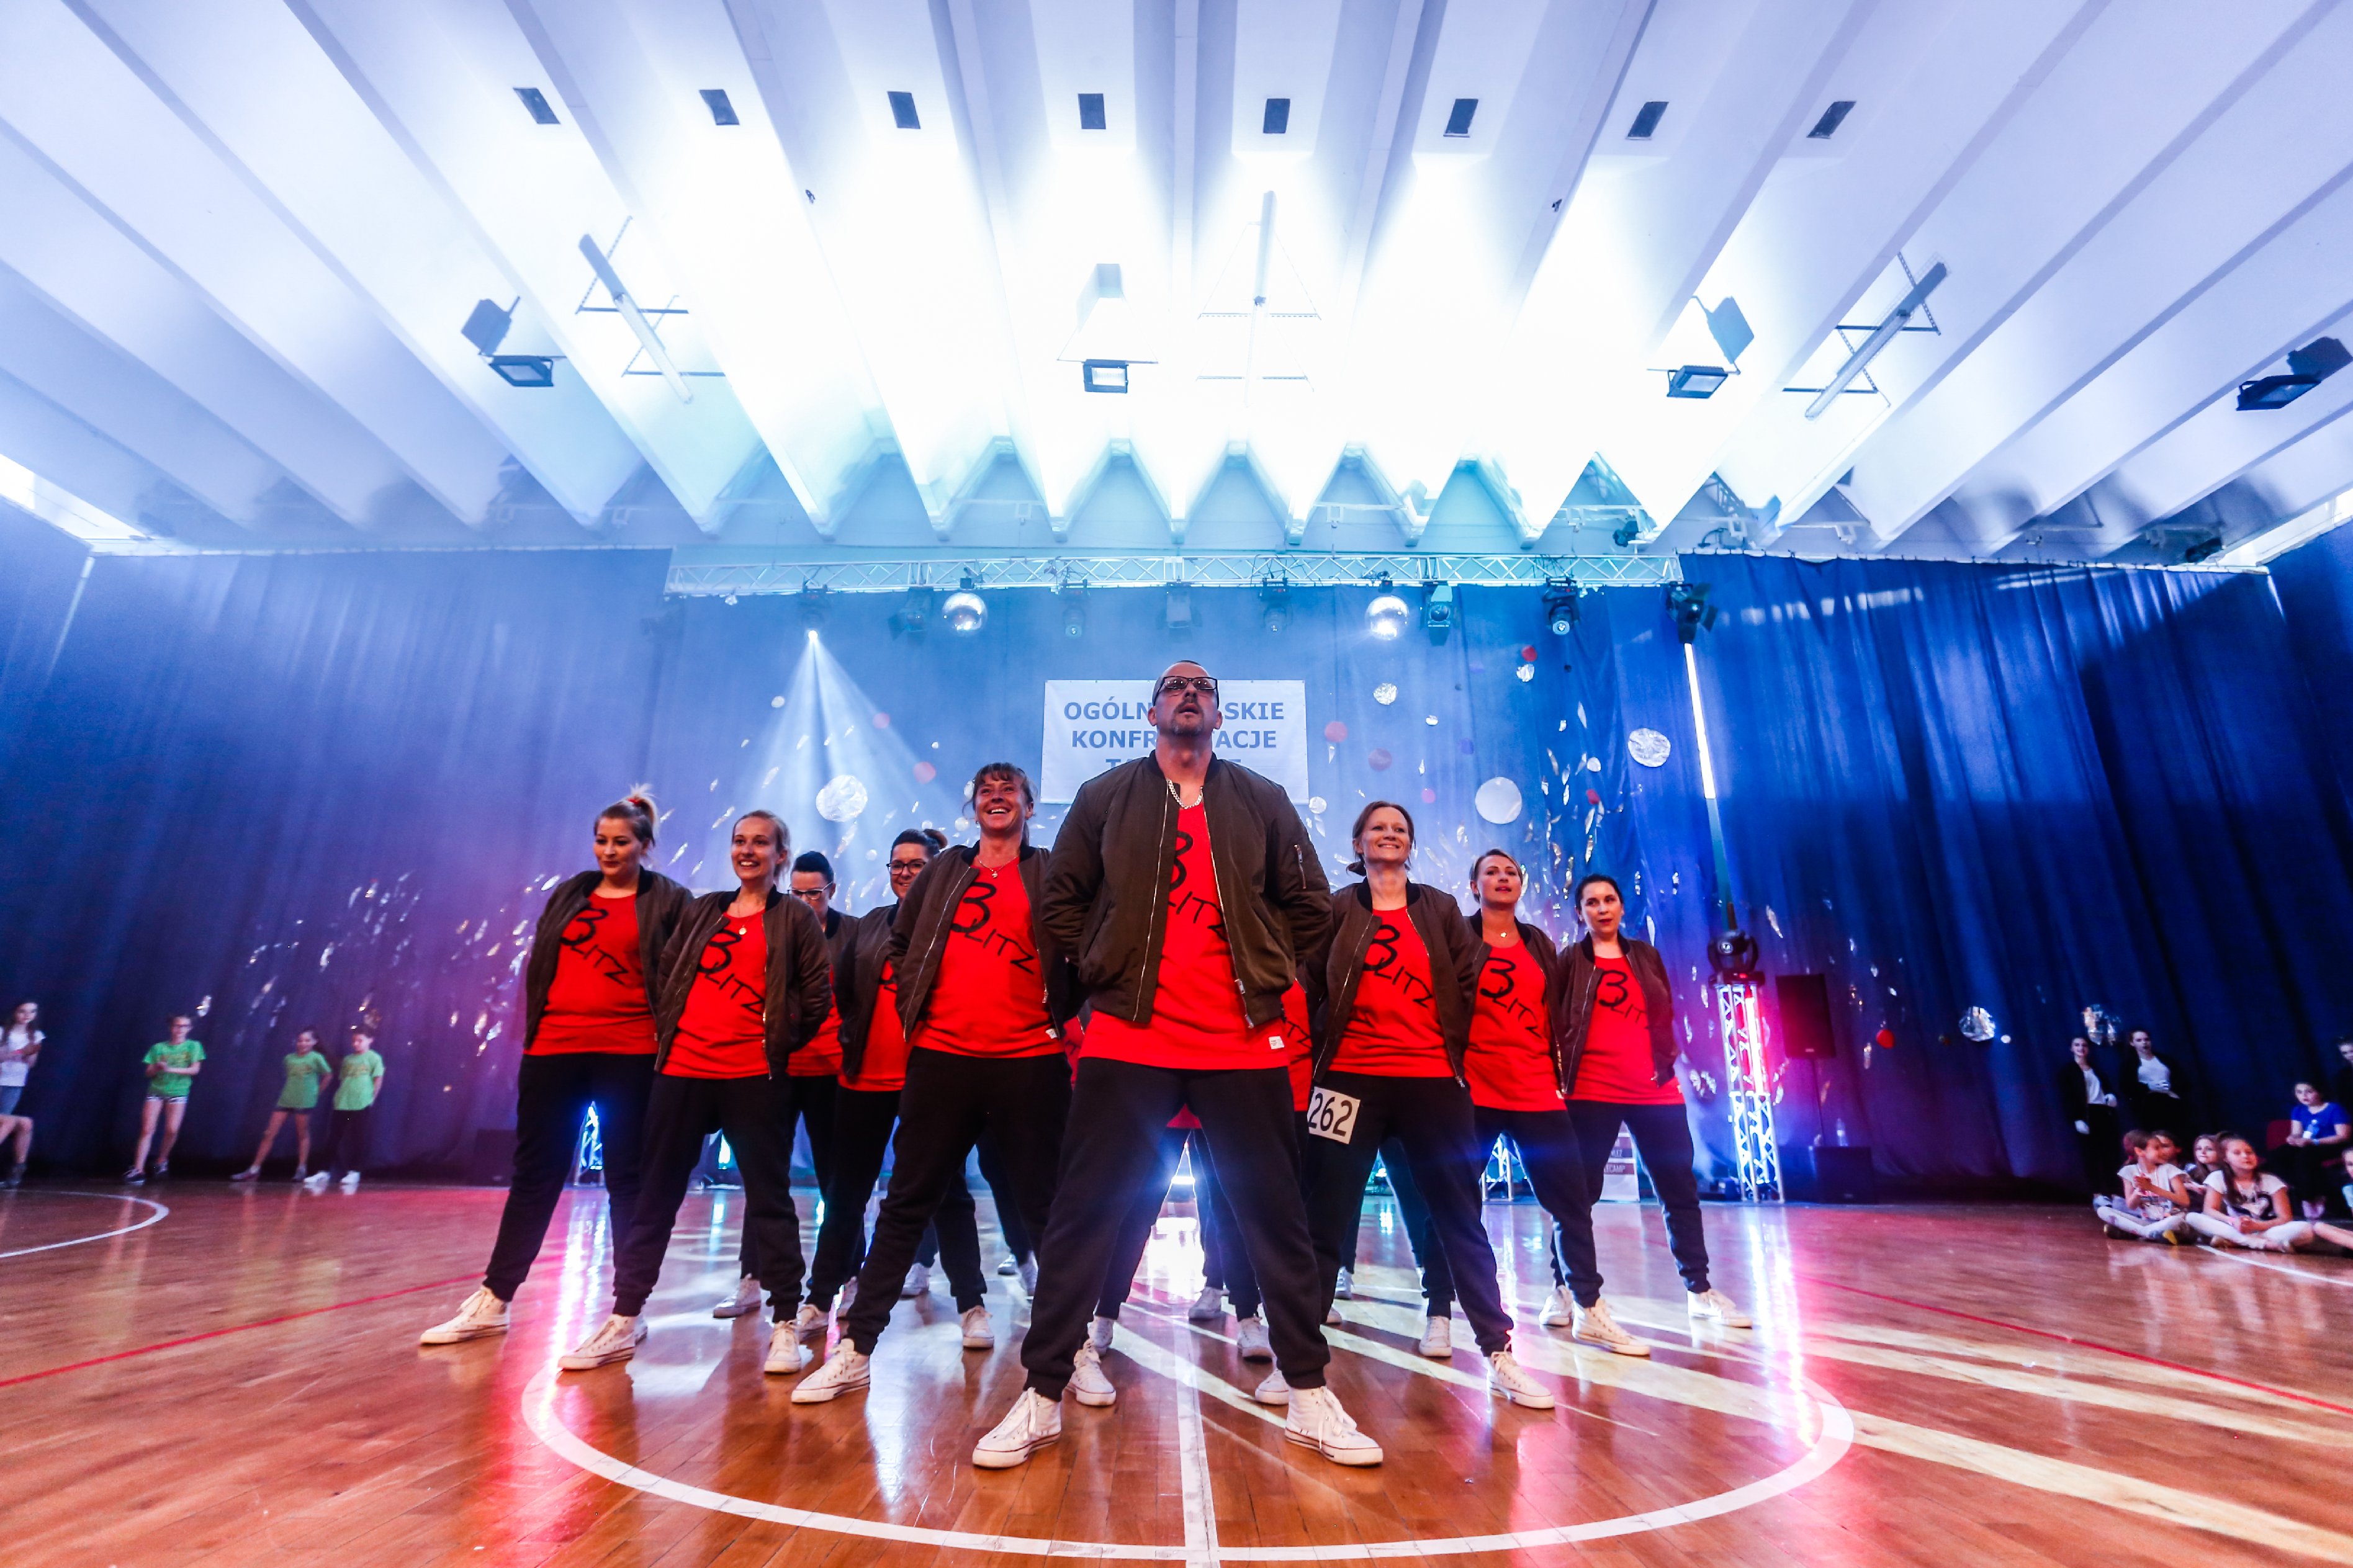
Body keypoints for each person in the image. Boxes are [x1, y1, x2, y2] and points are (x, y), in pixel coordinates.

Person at [956, 663, 1380, 1469]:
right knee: (1082, 1216)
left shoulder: (1259, 796)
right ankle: (1041, 1393)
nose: (1189, 693)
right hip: (1130, 1037)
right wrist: (1104, 971)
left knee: (1275, 1218)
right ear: (1151, 710)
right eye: (1175, 686)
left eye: (1202, 687)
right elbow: (1060, 903)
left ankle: (1307, 1391)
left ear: (1218, 713)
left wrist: (1263, 969)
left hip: (1240, 1039)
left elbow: (1309, 905)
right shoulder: (1104, 795)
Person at [795, 763, 1072, 1404]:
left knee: (1045, 1209)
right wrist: (921, 1015)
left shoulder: (1051, 870)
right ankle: (856, 1349)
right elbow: (899, 943)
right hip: (943, 1058)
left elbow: (1083, 947)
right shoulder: (946, 870)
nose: (996, 797)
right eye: (985, 790)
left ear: (1028, 805)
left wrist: (1061, 1010)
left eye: (1008, 789)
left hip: (1029, 1059)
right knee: (904, 1204)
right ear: (973, 808)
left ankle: (1072, 1350)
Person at [1298, 804, 1554, 1409]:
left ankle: (1497, 1351)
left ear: (1409, 845)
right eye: (1377, 828)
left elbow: (1465, 981)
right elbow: (1309, 982)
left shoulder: (1438, 909)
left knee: (1459, 1217)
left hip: (1432, 1080)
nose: (1389, 835)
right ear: (1357, 843)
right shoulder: (1336, 909)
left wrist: (1447, 1052)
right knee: (1322, 1218)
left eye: (1399, 829)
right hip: (1347, 1081)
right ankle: (1298, 1361)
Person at [561, 810, 829, 1374]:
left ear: (781, 855)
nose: (747, 850)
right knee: (655, 1195)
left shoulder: (795, 919)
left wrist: (773, 1045)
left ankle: (785, 1320)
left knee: (769, 1199)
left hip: (752, 1076)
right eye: (739, 841)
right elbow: (667, 975)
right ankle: (625, 1317)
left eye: (761, 842)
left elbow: (815, 1000)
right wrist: (677, 1034)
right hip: (682, 1071)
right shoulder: (703, 910)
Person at [421, 792, 688, 1344]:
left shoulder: (669, 899)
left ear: (644, 845)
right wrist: (533, 1035)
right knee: (534, 1176)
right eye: (601, 840)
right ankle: (495, 1298)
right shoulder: (570, 893)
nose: (608, 850)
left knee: (626, 1178)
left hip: (629, 1053)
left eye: (621, 842)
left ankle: (627, 1312)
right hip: (553, 1050)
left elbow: (681, 976)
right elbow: (543, 963)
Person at [800, 830, 992, 1345]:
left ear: (936, 869)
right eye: (897, 864)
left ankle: (972, 1303)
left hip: (929, 1079)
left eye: (915, 863)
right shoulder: (868, 926)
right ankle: (820, 1298)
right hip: (864, 1079)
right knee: (845, 1195)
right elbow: (844, 992)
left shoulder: (954, 925)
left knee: (949, 1195)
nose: (904, 872)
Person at [1451, 849, 1641, 1355]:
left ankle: (1587, 1306)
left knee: (1572, 1203)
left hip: (1536, 1090)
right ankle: (1449, 1311)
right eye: (1491, 872)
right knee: (1456, 1203)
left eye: (1510, 872)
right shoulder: (1458, 938)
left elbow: (1555, 1010)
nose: (1502, 877)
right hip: (1477, 1091)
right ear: (1474, 885)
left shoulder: (1538, 942)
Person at [1555, 874, 1750, 1327]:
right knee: (1576, 1197)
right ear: (1580, 913)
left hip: (1655, 1090)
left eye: (1609, 899)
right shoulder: (1569, 961)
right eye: (1591, 902)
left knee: (1678, 1191)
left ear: (1622, 907)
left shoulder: (1645, 955)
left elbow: (1662, 1014)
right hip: (1591, 1092)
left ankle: (1699, 1289)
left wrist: (1664, 1060)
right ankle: (1564, 1289)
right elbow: (1558, 1020)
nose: (1602, 908)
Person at [709, 849, 850, 1324]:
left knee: (838, 1182)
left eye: (815, 892)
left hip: (831, 1073)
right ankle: (753, 1276)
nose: (806, 900)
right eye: (798, 892)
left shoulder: (850, 934)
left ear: (832, 890)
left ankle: (849, 1276)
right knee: (764, 1178)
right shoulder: (775, 927)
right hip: (777, 1070)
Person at [2185, 1134, 2315, 1251]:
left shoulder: (2271, 1180)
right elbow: (2209, 1210)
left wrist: (2257, 1226)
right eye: (2237, 1153)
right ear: (2225, 1159)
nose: (2245, 1156)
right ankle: (2263, 1244)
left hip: (2266, 1230)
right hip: (2235, 1228)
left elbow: (2285, 1218)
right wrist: (2233, 1221)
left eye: (2249, 1152)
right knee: (2192, 1217)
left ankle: (2236, 1242)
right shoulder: (2217, 1177)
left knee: (2306, 1229)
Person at [233, 1029, 333, 1181]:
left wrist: (316, 1093)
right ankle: (254, 1169)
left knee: (302, 1134)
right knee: (269, 1133)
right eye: (300, 1040)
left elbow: (328, 1075)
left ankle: (301, 1168)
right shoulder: (289, 1059)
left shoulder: (316, 1058)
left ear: (314, 1042)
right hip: (286, 1099)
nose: (303, 1043)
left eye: (307, 1040)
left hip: (304, 1101)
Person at [303, 1026, 384, 1191]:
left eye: (360, 1040)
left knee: (358, 1138)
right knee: (334, 1137)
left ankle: (354, 1172)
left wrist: (371, 1099)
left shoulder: (374, 1058)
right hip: (343, 1104)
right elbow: (344, 1080)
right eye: (354, 1041)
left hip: (361, 1105)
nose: (356, 1044)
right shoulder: (348, 1060)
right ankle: (324, 1172)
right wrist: (341, 1097)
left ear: (370, 1040)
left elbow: (378, 1080)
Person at [127, 1015, 204, 1183]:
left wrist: (169, 1069)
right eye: (177, 1026)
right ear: (171, 1028)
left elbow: (194, 1070)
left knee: (172, 1130)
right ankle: (138, 1169)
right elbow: (149, 1073)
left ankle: (161, 1162)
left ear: (189, 1029)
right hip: (156, 1091)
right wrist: (157, 1067)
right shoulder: (158, 1048)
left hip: (178, 1092)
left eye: (184, 1026)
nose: (180, 1030)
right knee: (147, 1129)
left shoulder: (194, 1046)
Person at [2093, 1129, 2192, 1243]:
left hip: (2168, 1220)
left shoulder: (2170, 1170)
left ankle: (2140, 1233)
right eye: (2157, 1148)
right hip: (2146, 1222)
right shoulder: (2129, 1171)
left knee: (2175, 1221)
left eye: (2162, 1147)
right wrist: (2138, 1192)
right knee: (2103, 1210)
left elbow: (2185, 1201)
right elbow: (2131, 1206)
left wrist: (2151, 1188)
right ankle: (2148, 1233)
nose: (2162, 1152)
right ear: (2140, 1151)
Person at [2058, 1037, 2121, 1192]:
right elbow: (2068, 1098)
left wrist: (2111, 1096)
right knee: (2091, 1156)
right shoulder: (2068, 1071)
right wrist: (2077, 1119)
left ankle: (2115, 1193)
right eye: (2077, 1045)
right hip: (2086, 1115)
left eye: (2084, 1045)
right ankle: (2097, 1194)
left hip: (2103, 1113)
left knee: (2110, 1154)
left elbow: (2107, 1088)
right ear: (2072, 1048)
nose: (2081, 1048)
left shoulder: (2097, 1069)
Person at [2283, 1082, 2350, 1217]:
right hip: (2308, 1144)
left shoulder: (2334, 1109)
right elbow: (2297, 1132)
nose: (2304, 1096)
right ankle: (2304, 1191)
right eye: (2299, 1092)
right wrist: (2293, 1138)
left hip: (2332, 1145)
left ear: (2320, 1093)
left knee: (2305, 1157)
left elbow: (2343, 1136)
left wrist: (2314, 1142)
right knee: (2279, 1156)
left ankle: (2310, 1197)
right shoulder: (2298, 1110)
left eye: (2309, 1092)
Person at [2125, 1029, 2186, 1131]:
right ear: (2132, 1043)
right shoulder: (2130, 1064)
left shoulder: (2165, 1060)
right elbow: (2127, 1087)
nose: (2144, 1043)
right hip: (2150, 1106)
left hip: (2172, 1101)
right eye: (2139, 1040)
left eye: (2147, 1040)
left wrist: (2172, 1086)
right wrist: (2148, 1087)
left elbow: (2183, 1080)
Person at [1, 1000, 43, 1116]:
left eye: (32, 1012)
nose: (27, 1015)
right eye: (22, 1011)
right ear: (14, 1013)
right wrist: (20, 1051)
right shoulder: (2, 1032)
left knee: (4, 1118)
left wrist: (30, 1053)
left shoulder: (36, 1035)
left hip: (16, 1083)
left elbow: (31, 1064)